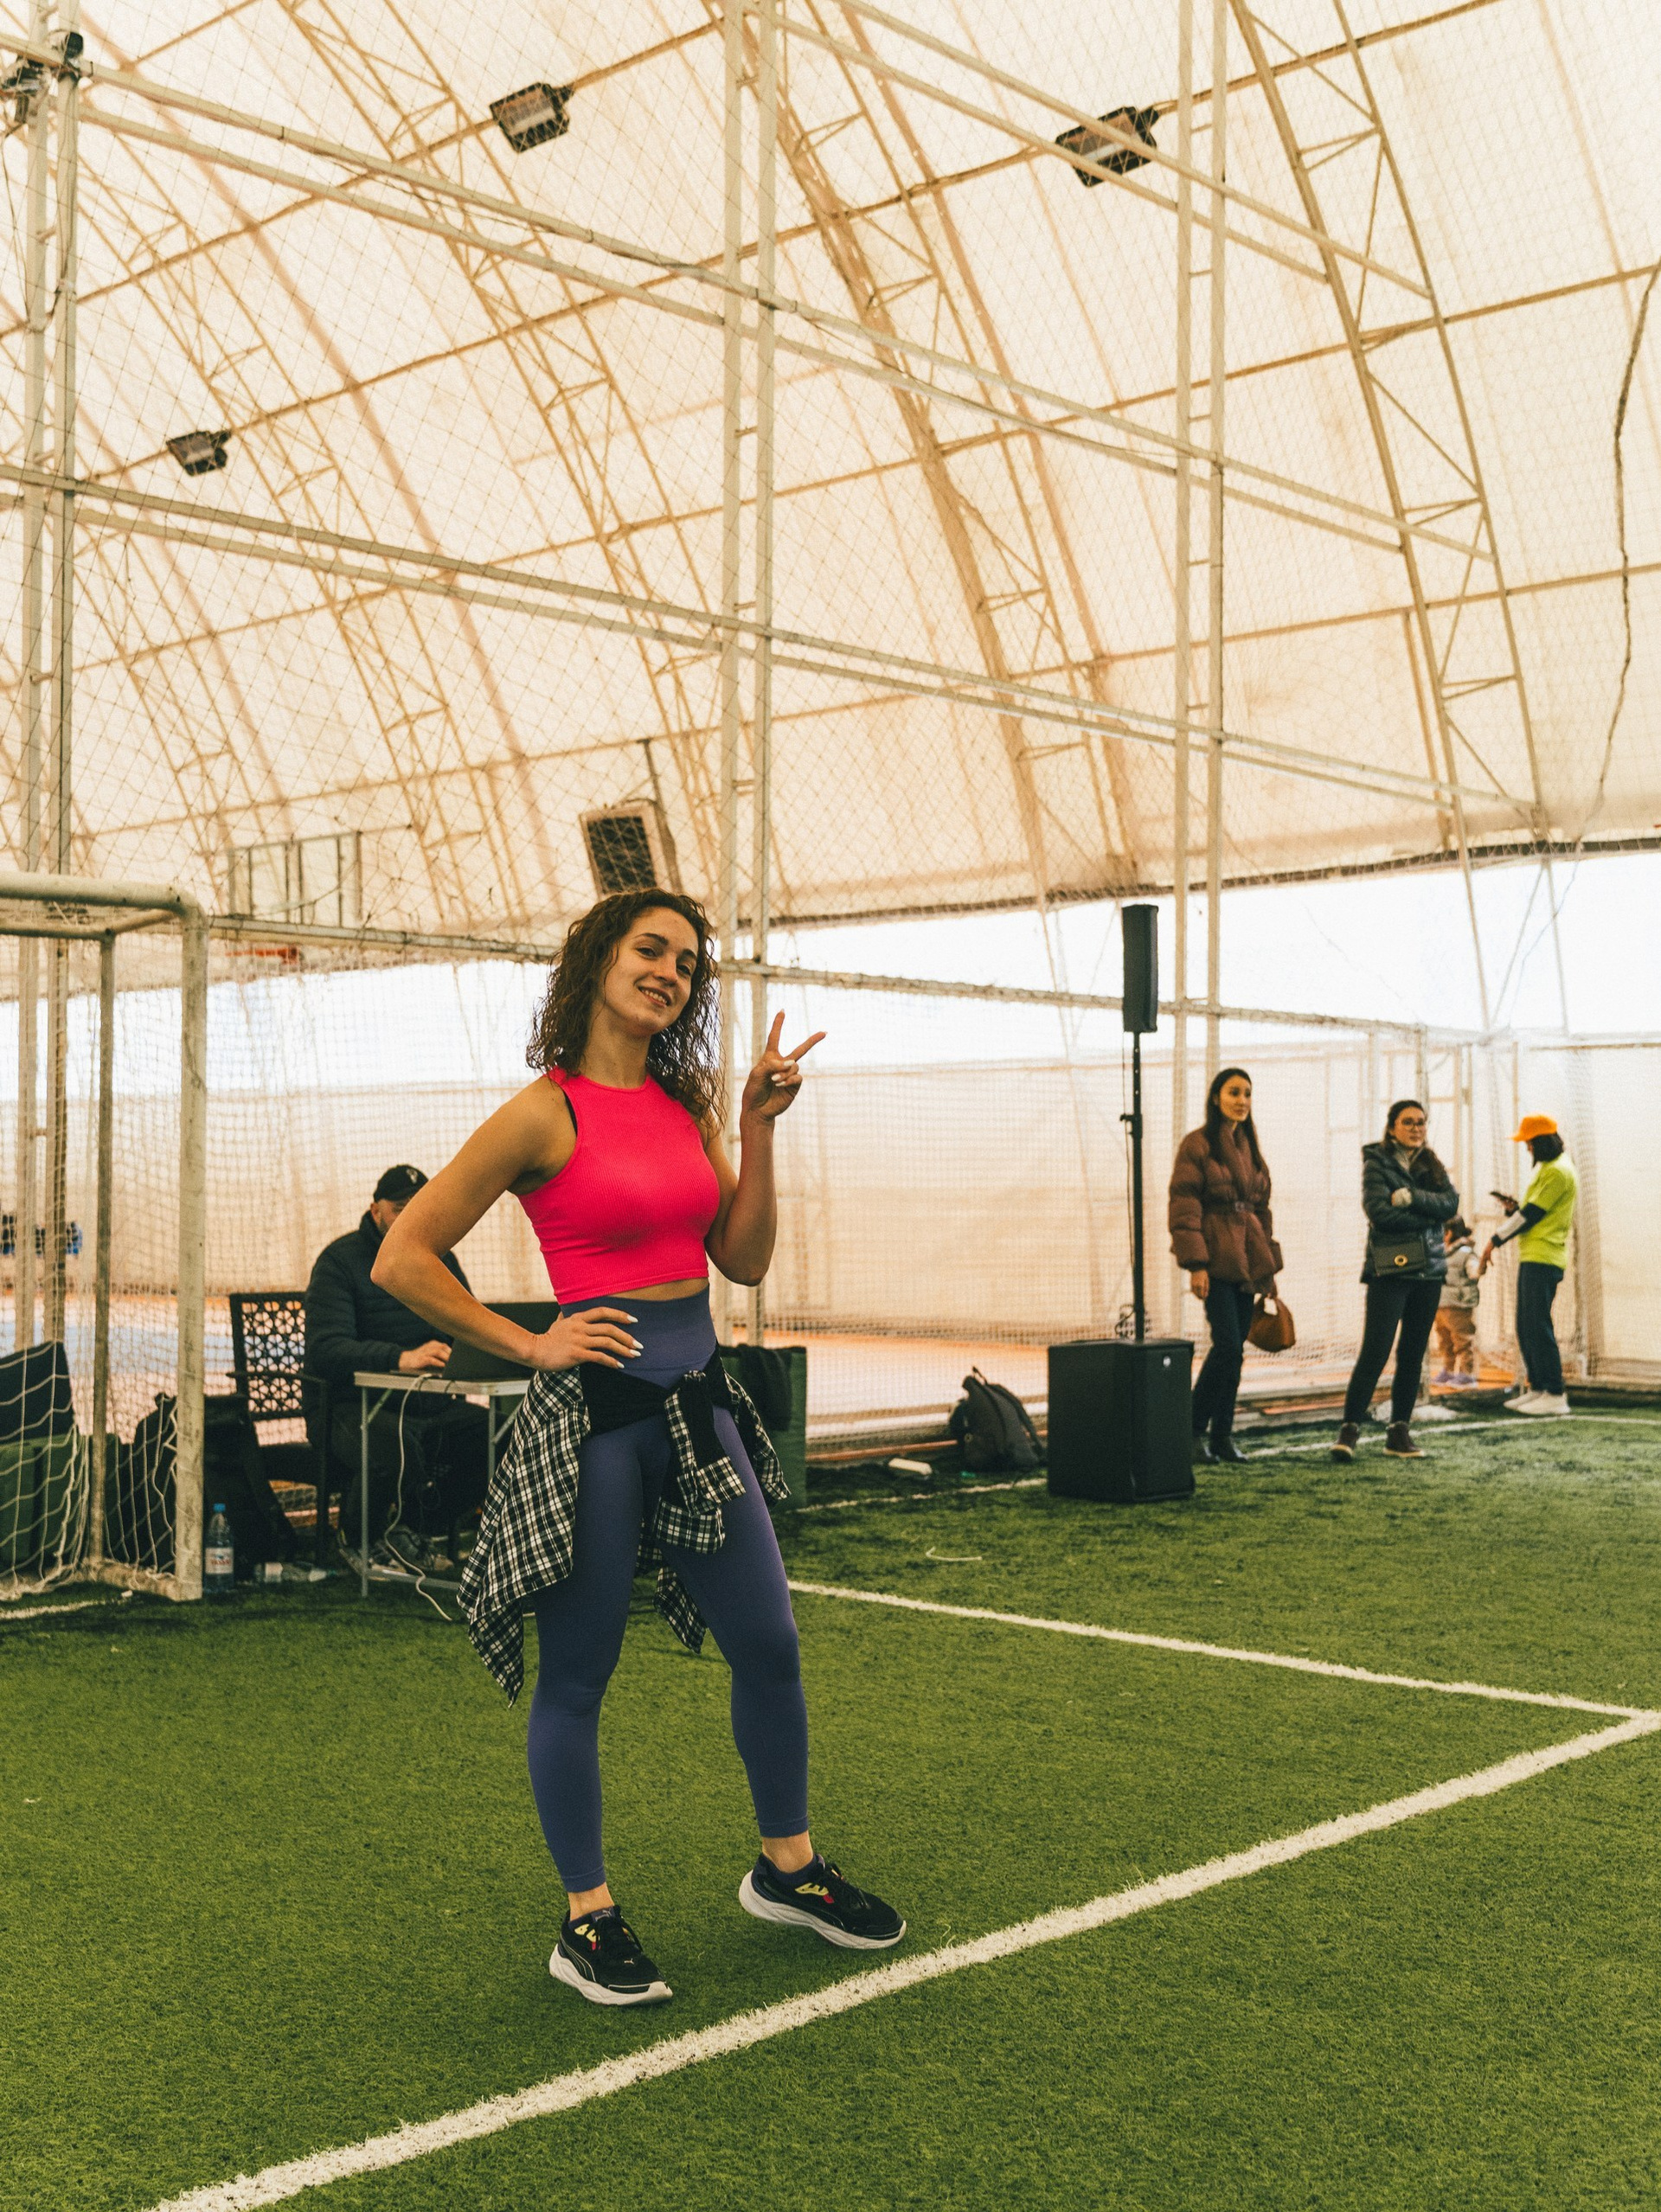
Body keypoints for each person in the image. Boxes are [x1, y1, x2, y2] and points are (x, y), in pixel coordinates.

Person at [372, 888, 905, 2008]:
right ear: (596, 961)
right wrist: (532, 1343)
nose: (669, 971)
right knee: (579, 1675)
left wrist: (756, 1129)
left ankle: (788, 1868)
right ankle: (588, 1918)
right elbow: (404, 1258)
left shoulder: (685, 1105)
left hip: (700, 1410)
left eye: (687, 962)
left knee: (770, 1642)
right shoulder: (541, 1113)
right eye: (649, 949)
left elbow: (743, 1260)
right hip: (598, 1423)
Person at [303, 1164, 489, 1563]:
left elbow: (467, 1325)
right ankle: (357, 1540)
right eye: (401, 1208)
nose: (412, 1217)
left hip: (428, 1404)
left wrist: (477, 1351)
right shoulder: (339, 1261)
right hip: (349, 1408)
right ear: (376, 1212)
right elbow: (326, 1349)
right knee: (392, 1447)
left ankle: (415, 1528)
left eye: (420, 1207)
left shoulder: (442, 1258)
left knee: (502, 1439)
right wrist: (400, 1359)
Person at [1331, 1100, 1460, 1463]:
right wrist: (1428, 1219)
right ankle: (1349, 1430)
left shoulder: (1431, 1162)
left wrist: (1413, 1198)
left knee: (1413, 1354)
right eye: (1408, 1122)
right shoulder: (1377, 1163)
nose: (1416, 1128)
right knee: (1376, 1350)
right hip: (1390, 1270)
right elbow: (1379, 1213)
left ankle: (1399, 1432)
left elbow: (1451, 1205)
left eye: (1421, 1122)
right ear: (1391, 1128)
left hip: (1429, 1272)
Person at [1168, 1067, 1283, 1464]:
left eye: (1247, 1094)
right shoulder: (1197, 1145)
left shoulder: (1250, 1147)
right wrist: (1196, 1264)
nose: (1242, 1101)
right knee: (1228, 1347)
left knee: (1235, 1352)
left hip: (1248, 1260)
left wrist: (1268, 1269)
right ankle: (1190, 1431)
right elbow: (1184, 1205)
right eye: (1234, 1092)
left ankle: (1222, 1437)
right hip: (1217, 1259)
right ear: (1216, 1098)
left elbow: (1262, 1211)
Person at [1481, 1115, 1577, 1417]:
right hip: (1535, 1256)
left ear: (1541, 1142)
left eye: (1530, 1143)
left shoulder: (1559, 1171)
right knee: (1526, 1324)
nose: (1527, 1149)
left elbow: (1532, 1215)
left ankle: (1555, 1393)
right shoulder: (1550, 1169)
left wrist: (1494, 1240)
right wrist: (1514, 1209)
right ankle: (1539, 1387)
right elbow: (1529, 1212)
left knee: (1537, 1324)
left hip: (1544, 1257)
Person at [1432, 1217, 1482, 1388]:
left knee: (1463, 1340)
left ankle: (1467, 1374)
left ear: (1450, 1232)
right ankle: (1448, 1370)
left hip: (1458, 1305)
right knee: (1445, 1341)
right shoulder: (1441, 1251)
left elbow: (1475, 1271)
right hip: (1441, 1304)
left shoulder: (1466, 1252)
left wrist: (1477, 1269)